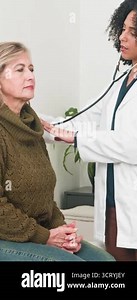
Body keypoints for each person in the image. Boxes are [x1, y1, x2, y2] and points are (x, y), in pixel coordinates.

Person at [41, 0, 137, 261]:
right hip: (115, 202)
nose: (122, 37)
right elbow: (83, 120)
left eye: (133, 32)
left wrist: (77, 138)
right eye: (122, 29)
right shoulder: (122, 80)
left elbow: (135, 145)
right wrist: (34, 121)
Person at [0, 41, 115, 261]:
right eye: (20, 69)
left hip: (37, 233)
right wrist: (45, 237)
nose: (30, 76)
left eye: (31, 69)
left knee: (105, 261)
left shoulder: (31, 127)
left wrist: (63, 233)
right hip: (7, 237)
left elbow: (43, 195)